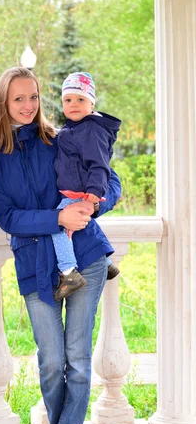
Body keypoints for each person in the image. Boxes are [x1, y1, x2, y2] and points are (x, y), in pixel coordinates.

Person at [0, 67, 121, 424]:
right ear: (3, 103)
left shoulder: (60, 139)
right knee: (50, 359)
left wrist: (92, 206)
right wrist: (58, 218)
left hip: (86, 257)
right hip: (33, 263)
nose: (28, 106)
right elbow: (8, 217)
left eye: (34, 97)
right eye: (18, 99)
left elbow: (109, 179)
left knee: (77, 357)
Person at [52, 71, 121, 300]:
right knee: (81, 225)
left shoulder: (91, 129)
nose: (73, 105)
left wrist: (93, 194)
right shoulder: (74, 128)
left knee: (58, 226)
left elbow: (100, 165)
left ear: (92, 103)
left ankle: (69, 271)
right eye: (68, 100)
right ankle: (107, 262)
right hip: (78, 191)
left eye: (80, 100)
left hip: (82, 193)